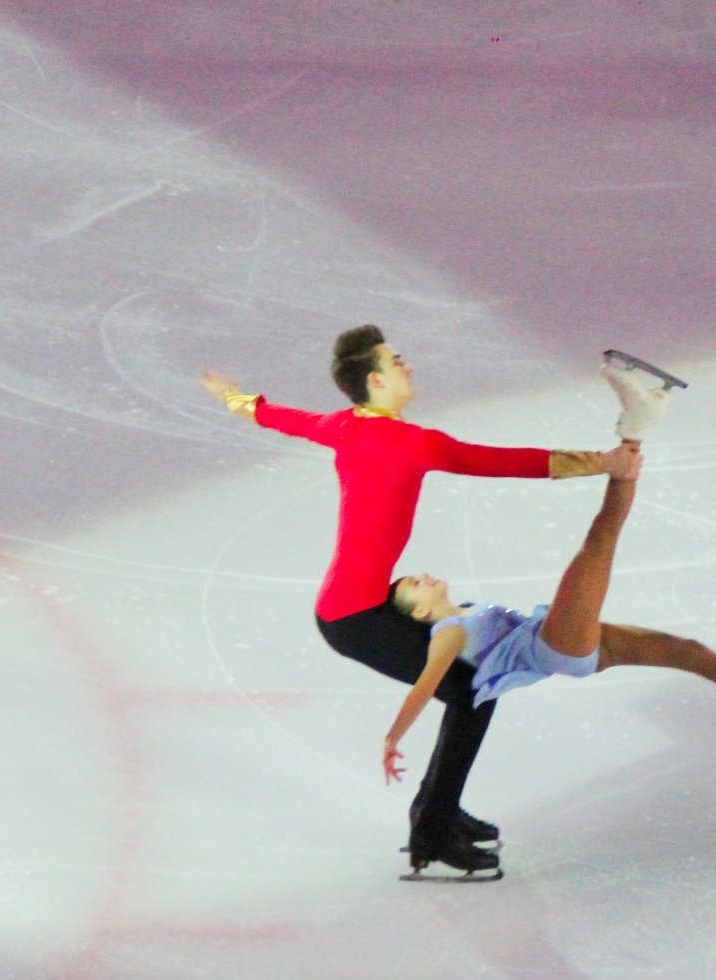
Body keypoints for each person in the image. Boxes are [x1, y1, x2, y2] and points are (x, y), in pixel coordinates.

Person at [199, 325, 659, 877]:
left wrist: (231, 396)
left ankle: (434, 810)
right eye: (398, 361)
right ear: (375, 379)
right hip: (356, 618)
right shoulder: (412, 443)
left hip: (359, 606)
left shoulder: (342, 427)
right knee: (472, 694)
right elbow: (502, 461)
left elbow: (271, 414)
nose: (409, 367)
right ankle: (433, 832)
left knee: (473, 691)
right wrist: (604, 463)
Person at [385, 432, 716, 878]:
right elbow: (428, 685)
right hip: (552, 645)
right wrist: (393, 738)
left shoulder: (465, 610)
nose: (422, 575)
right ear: (418, 612)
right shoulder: (447, 631)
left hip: (563, 645)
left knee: (686, 652)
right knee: (600, 541)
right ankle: (632, 435)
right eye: (413, 585)